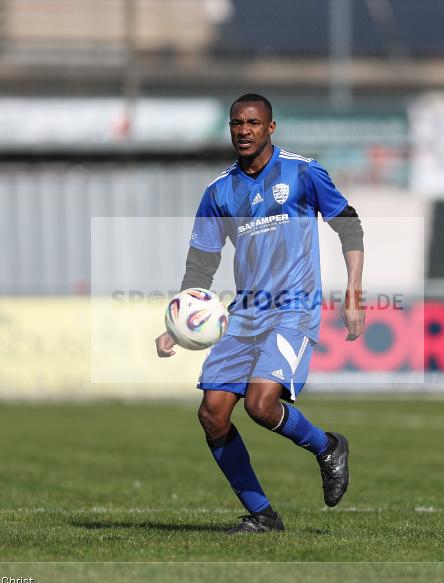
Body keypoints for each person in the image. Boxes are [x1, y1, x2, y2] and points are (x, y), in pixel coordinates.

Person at [155, 93, 365, 533]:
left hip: (293, 308)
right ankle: (263, 516)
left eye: (253, 122)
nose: (244, 130)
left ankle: (327, 447)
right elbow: (201, 264)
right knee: (212, 413)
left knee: (260, 404)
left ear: (271, 128)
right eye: (236, 123)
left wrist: (353, 292)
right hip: (245, 313)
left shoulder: (303, 172)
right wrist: (175, 325)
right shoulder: (218, 192)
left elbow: (348, 223)